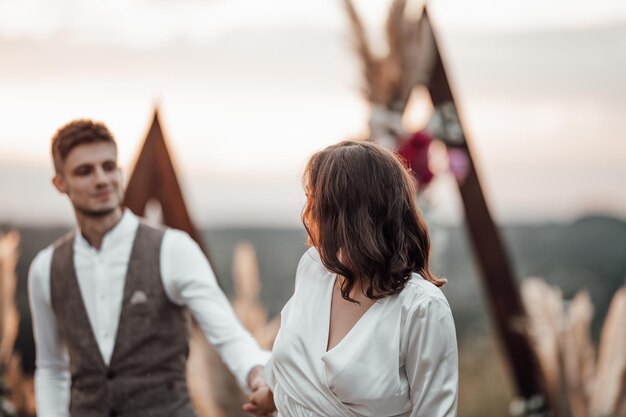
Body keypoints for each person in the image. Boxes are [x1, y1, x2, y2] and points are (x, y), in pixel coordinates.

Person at [28, 119, 270, 417]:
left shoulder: (173, 249)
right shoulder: (46, 268)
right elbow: (52, 368)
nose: (102, 179)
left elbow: (226, 332)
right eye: (84, 171)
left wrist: (257, 373)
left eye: (108, 166)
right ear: (60, 183)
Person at [244, 141, 458, 417]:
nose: (308, 211)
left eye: (316, 199)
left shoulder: (422, 308)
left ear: (345, 214)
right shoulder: (314, 269)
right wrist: (272, 393)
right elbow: (296, 347)